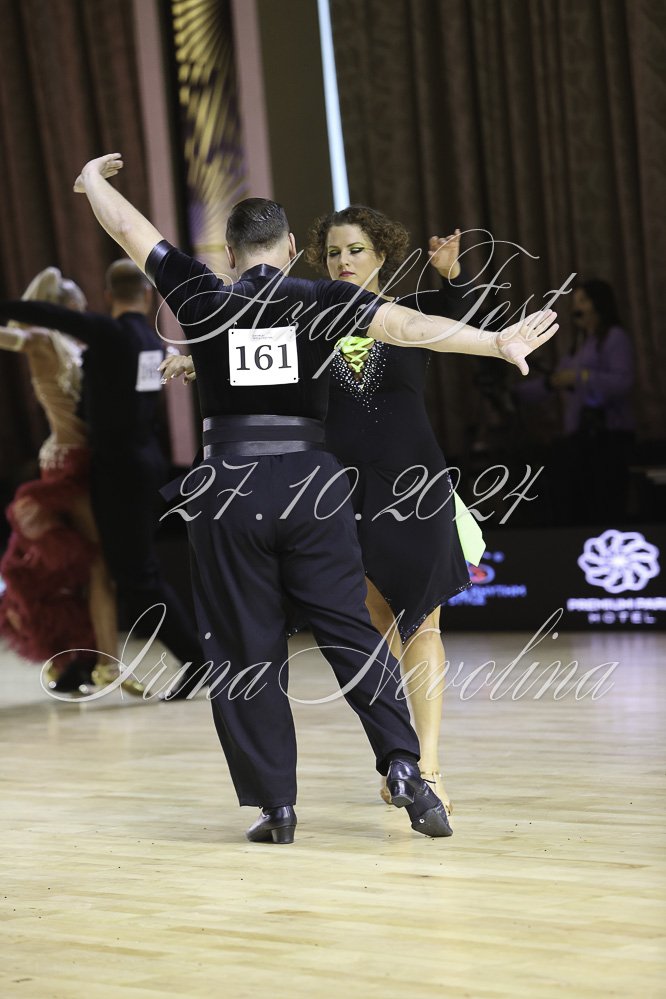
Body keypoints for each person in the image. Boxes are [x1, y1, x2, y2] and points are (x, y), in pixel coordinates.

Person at [72, 152, 557, 844]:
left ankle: (278, 808)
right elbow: (410, 328)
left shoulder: (203, 294)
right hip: (313, 489)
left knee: (245, 648)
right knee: (352, 632)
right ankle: (405, 766)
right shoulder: (321, 299)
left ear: (230, 254)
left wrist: (94, 182)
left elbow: (130, 230)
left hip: (231, 489)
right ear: (294, 249)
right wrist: (497, 341)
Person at [304, 206, 482, 814]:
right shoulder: (309, 324)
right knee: (373, 629)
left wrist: (450, 276)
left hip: (415, 488)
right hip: (339, 492)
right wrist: (194, 359)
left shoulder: (407, 314)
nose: (343, 261)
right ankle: (397, 756)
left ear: (381, 255)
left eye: (355, 250)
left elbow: (458, 319)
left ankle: (427, 767)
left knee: (422, 623)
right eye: (333, 252)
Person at [0, 259, 202, 696]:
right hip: (139, 464)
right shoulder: (151, 342)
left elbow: (48, 315)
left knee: (131, 575)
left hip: (117, 472)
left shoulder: (111, 333)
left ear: (108, 297)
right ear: (147, 295)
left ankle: (194, 658)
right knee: (102, 569)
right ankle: (84, 663)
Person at [0, 267, 128, 692]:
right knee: (91, 567)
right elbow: (12, 329)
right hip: (67, 466)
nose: (84, 313)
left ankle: (78, 663)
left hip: (77, 460)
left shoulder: (73, 345)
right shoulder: (42, 340)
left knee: (77, 570)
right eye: (77, 307)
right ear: (65, 309)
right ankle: (103, 663)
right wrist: (49, 283)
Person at [514, 279, 634, 524]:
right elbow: (555, 380)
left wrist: (581, 377)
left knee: (607, 504)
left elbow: (622, 381)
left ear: (598, 304)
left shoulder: (614, 338)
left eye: (583, 301)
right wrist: (518, 392)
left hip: (609, 437)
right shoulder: (579, 346)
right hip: (581, 439)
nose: (576, 308)